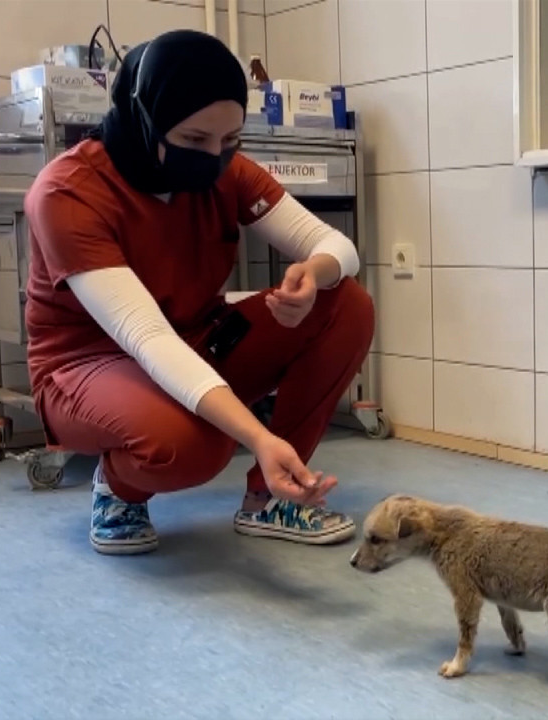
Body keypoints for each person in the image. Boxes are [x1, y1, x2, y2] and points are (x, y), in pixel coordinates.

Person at [21, 29, 375, 556]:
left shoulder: (224, 170)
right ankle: (118, 489)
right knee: (191, 446)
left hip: (196, 338)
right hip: (88, 364)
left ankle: (269, 497)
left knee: (345, 303)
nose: (214, 157)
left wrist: (314, 272)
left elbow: (337, 247)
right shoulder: (68, 192)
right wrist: (258, 437)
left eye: (230, 140)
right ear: (145, 117)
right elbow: (147, 338)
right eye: (194, 139)